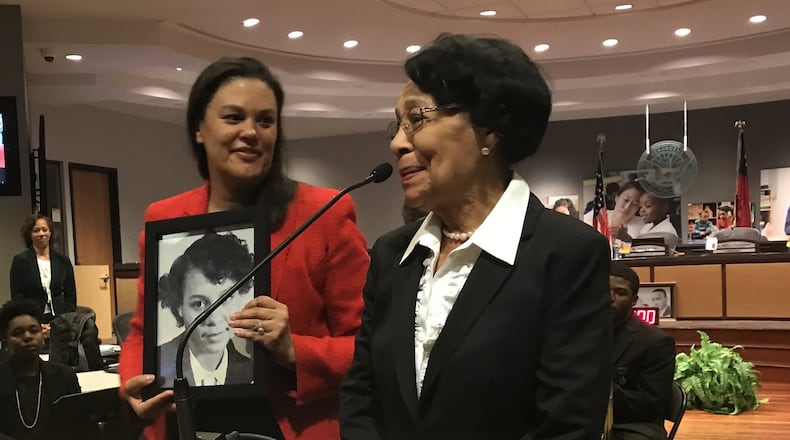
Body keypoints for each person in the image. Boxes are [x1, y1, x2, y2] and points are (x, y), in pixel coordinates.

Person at [340, 33, 612, 439]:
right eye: (396, 125)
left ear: (489, 130)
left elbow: (567, 424)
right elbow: (362, 394)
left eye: (416, 119)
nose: (397, 143)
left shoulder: (567, 252)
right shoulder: (391, 253)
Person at [118, 56, 370, 440]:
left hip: (288, 428)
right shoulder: (164, 217)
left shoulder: (324, 214)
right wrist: (135, 384)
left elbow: (370, 346)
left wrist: (293, 350)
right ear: (199, 129)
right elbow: (141, 333)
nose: (251, 132)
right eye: (233, 117)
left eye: (265, 121)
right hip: (182, 427)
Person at [157, 232, 255, 388]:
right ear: (179, 307)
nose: (214, 319)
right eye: (199, 304)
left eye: (225, 298)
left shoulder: (252, 372)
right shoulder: (157, 366)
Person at [608, 264, 676, 440]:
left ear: (634, 300)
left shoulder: (656, 342)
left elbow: (650, 405)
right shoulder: (578, 333)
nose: (610, 298)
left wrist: (601, 388)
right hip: (582, 418)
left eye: (620, 293)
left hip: (631, 425)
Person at [0, 300, 81, 440]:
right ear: (6, 341)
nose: (27, 337)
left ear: (43, 336)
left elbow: (79, 424)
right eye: (18, 333)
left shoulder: (65, 376)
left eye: (34, 330)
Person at [9, 214, 77, 329]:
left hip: (61, 319)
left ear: (50, 233)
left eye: (44, 230)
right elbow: (17, 297)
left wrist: (64, 319)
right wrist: (34, 324)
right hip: (32, 320)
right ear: (30, 235)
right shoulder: (20, 261)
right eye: (36, 230)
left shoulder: (63, 260)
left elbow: (70, 295)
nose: (41, 234)